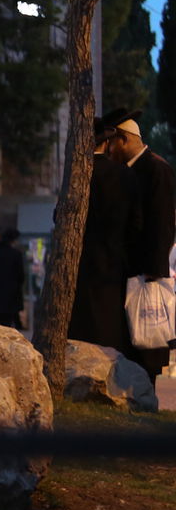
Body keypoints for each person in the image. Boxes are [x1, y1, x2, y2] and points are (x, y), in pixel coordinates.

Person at [104, 108, 176, 383]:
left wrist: (154, 271)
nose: (109, 150)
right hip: (130, 273)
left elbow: (162, 225)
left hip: (144, 273)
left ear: (122, 140)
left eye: (111, 143)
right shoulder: (129, 169)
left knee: (146, 342)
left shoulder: (156, 169)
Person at [70, 116, 139, 350]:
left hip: (81, 265)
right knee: (109, 333)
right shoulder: (124, 174)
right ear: (107, 143)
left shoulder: (77, 174)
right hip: (113, 266)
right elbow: (135, 222)